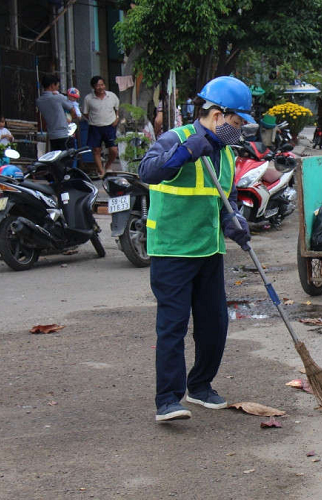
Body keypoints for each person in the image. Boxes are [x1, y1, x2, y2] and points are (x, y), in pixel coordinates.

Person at [139, 76, 253, 423]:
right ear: (217, 115)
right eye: (236, 122)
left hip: (208, 249)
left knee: (214, 324)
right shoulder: (175, 139)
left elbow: (226, 197)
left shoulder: (226, 153)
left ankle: (200, 386)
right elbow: (148, 171)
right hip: (172, 249)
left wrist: (234, 219)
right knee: (172, 326)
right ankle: (168, 400)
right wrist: (185, 153)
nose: (238, 130)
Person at [83, 76, 120, 178]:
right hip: (95, 127)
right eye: (98, 85)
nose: (100, 87)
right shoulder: (88, 98)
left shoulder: (112, 96)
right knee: (96, 150)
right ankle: (101, 171)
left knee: (113, 150)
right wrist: (94, 119)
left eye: (102, 85)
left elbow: (117, 109)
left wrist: (116, 118)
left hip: (110, 126)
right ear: (93, 87)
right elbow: (85, 113)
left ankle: (108, 166)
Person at [36, 74, 76, 152]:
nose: (58, 88)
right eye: (57, 86)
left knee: (56, 159)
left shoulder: (39, 101)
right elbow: (73, 110)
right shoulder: (58, 97)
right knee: (67, 159)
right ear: (52, 86)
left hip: (52, 135)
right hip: (64, 133)